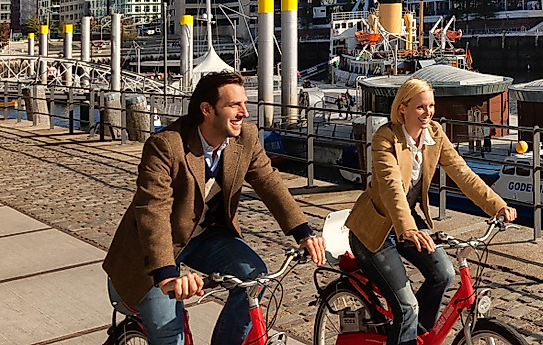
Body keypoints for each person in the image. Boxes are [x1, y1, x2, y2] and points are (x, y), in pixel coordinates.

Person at [102, 71, 327, 345]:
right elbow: (153, 211)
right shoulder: (166, 146)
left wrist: (303, 232)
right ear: (207, 110)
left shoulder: (246, 138)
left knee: (254, 278)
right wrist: (166, 275)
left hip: (205, 236)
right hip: (153, 253)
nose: (244, 112)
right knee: (170, 336)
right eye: (234, 105)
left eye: (245, 104)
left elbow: (269, 182)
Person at [344, 78, 516, 345]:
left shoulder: (434, 134)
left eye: (431, 106)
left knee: (444, 274)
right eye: (420, 107)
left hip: (407, 225)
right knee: (407, 307)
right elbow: (391, 189)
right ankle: (407, 326)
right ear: (402, 108)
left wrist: (497, 205)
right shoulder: (385, 137)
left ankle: (414, 335)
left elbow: (462, 174)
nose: (428, 113)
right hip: (374, 231)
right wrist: (408, 228)